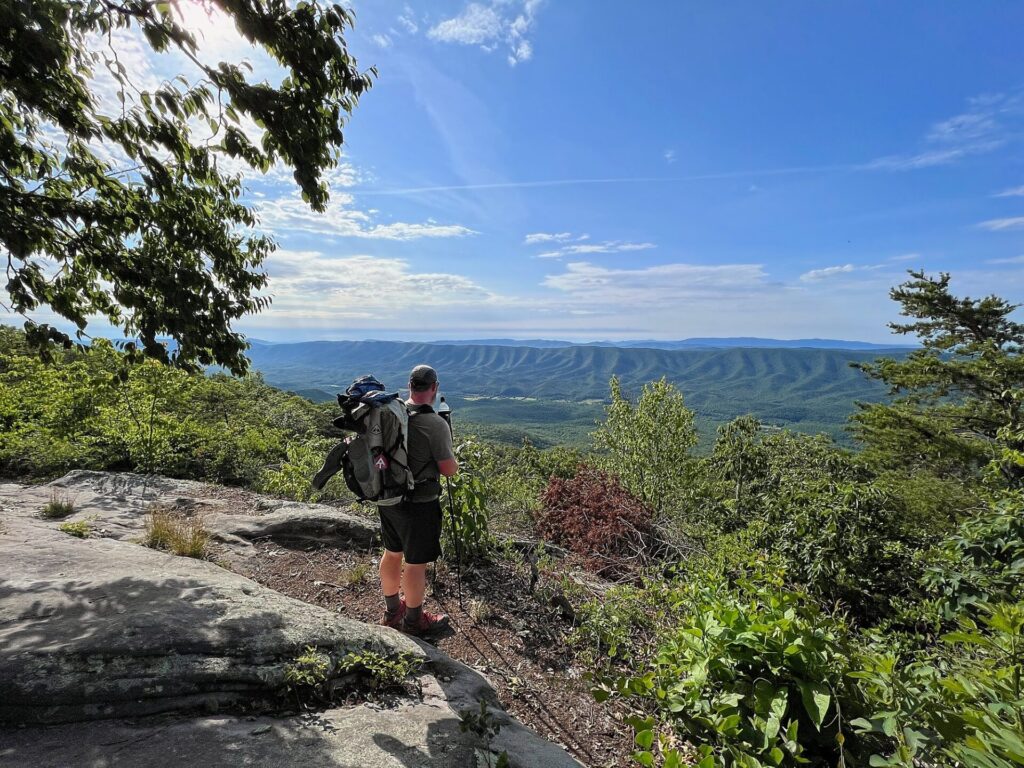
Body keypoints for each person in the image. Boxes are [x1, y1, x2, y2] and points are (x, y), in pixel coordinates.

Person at [379, 364, 459, 636]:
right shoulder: (435, 424)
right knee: (415, 563)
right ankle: (414, 621)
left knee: (392, 553)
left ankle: (393, 611)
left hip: (389, 497)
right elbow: (448, 470)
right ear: (435, 388)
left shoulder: (393, 414)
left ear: (409, 385)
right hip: (420, 503)